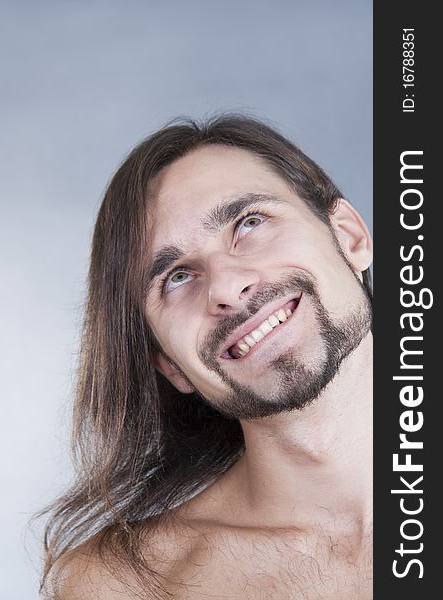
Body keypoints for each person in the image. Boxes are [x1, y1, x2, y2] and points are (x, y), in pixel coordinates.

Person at [40, 115, 373, 599]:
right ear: (170, 365)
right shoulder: (121, 587)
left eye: (250, 224)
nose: (226, 287)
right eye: (176, 276)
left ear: (350, 236)